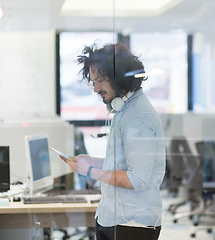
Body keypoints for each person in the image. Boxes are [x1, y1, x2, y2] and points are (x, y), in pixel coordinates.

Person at [60, 43, 166, 240]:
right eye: (93, 82)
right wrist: (93, 162)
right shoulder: (125, 110)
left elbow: (138, 179)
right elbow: (124, 164)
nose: (95, 89)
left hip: (131, 225)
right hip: (117, 219)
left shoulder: (136, 117)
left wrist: (90, 171)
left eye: (99, 80)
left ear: (119, 77)